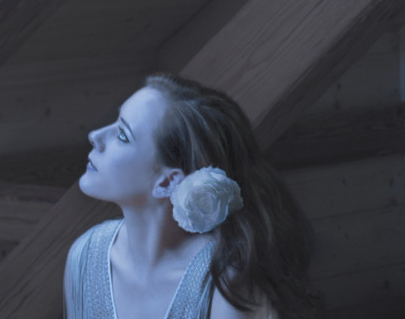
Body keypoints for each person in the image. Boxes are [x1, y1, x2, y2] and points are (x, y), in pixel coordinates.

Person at [66, 73, 324, 319]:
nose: (95, 136)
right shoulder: (85, 254)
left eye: (123, 135)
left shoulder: (226, 285)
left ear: (167, 181)